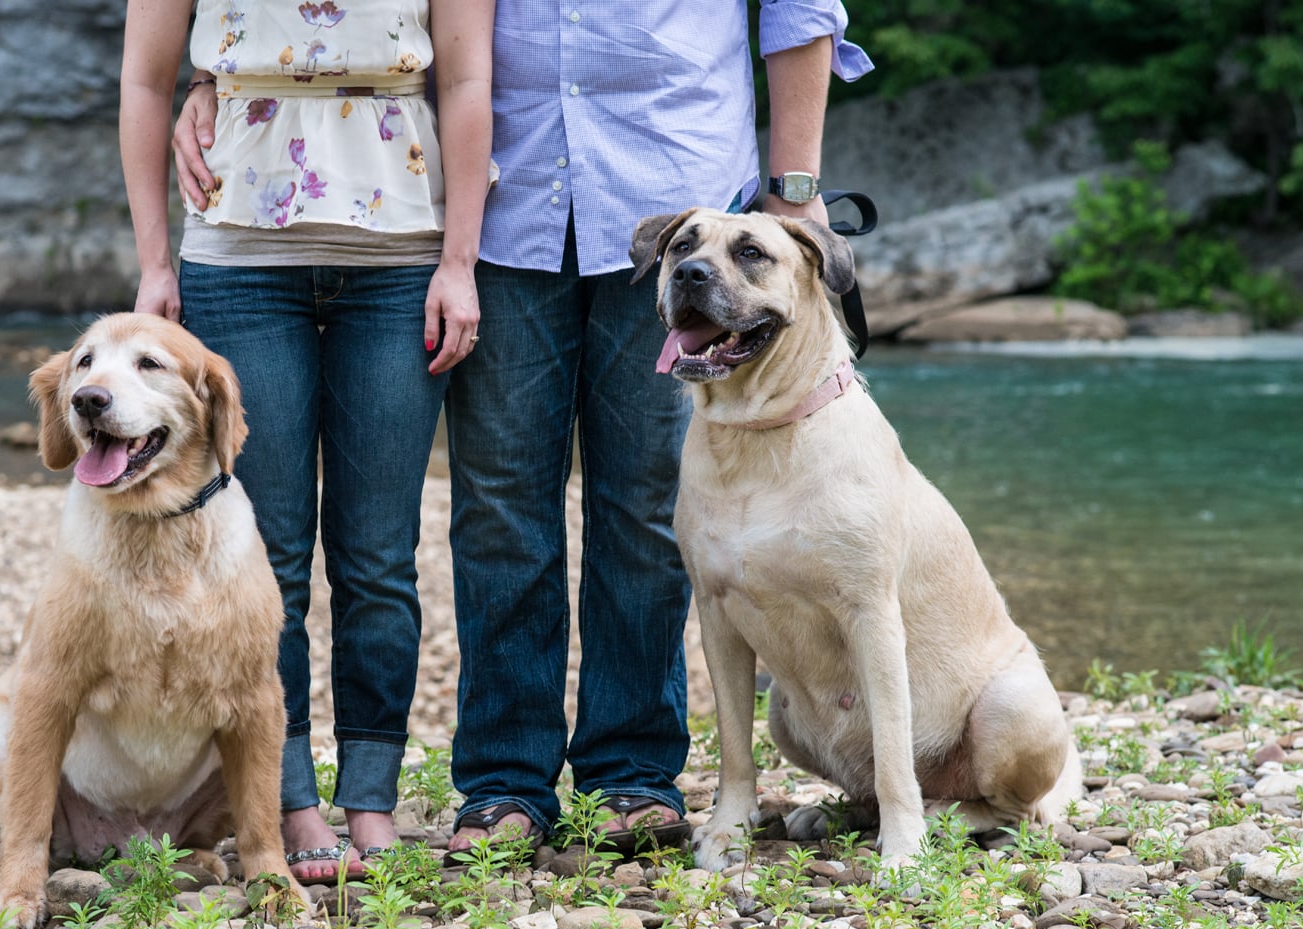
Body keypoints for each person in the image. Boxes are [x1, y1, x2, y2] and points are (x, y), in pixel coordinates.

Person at [173, 2, 870, 859]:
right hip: (501, 204)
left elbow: (800, 9)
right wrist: (212, 77)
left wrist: (794, 190)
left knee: (647, 505)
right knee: (500, 501)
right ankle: (504, 782)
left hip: (674, 195)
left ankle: (631, 774)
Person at [121, 0, 495, 883]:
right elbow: (144, 81)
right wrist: (153, 264)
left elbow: (469, 78)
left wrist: (460, 262)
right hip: (239, 261)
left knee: (376, 553)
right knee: (268, 551)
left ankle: (370, 796)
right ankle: (283, 800)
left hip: (402, 256)